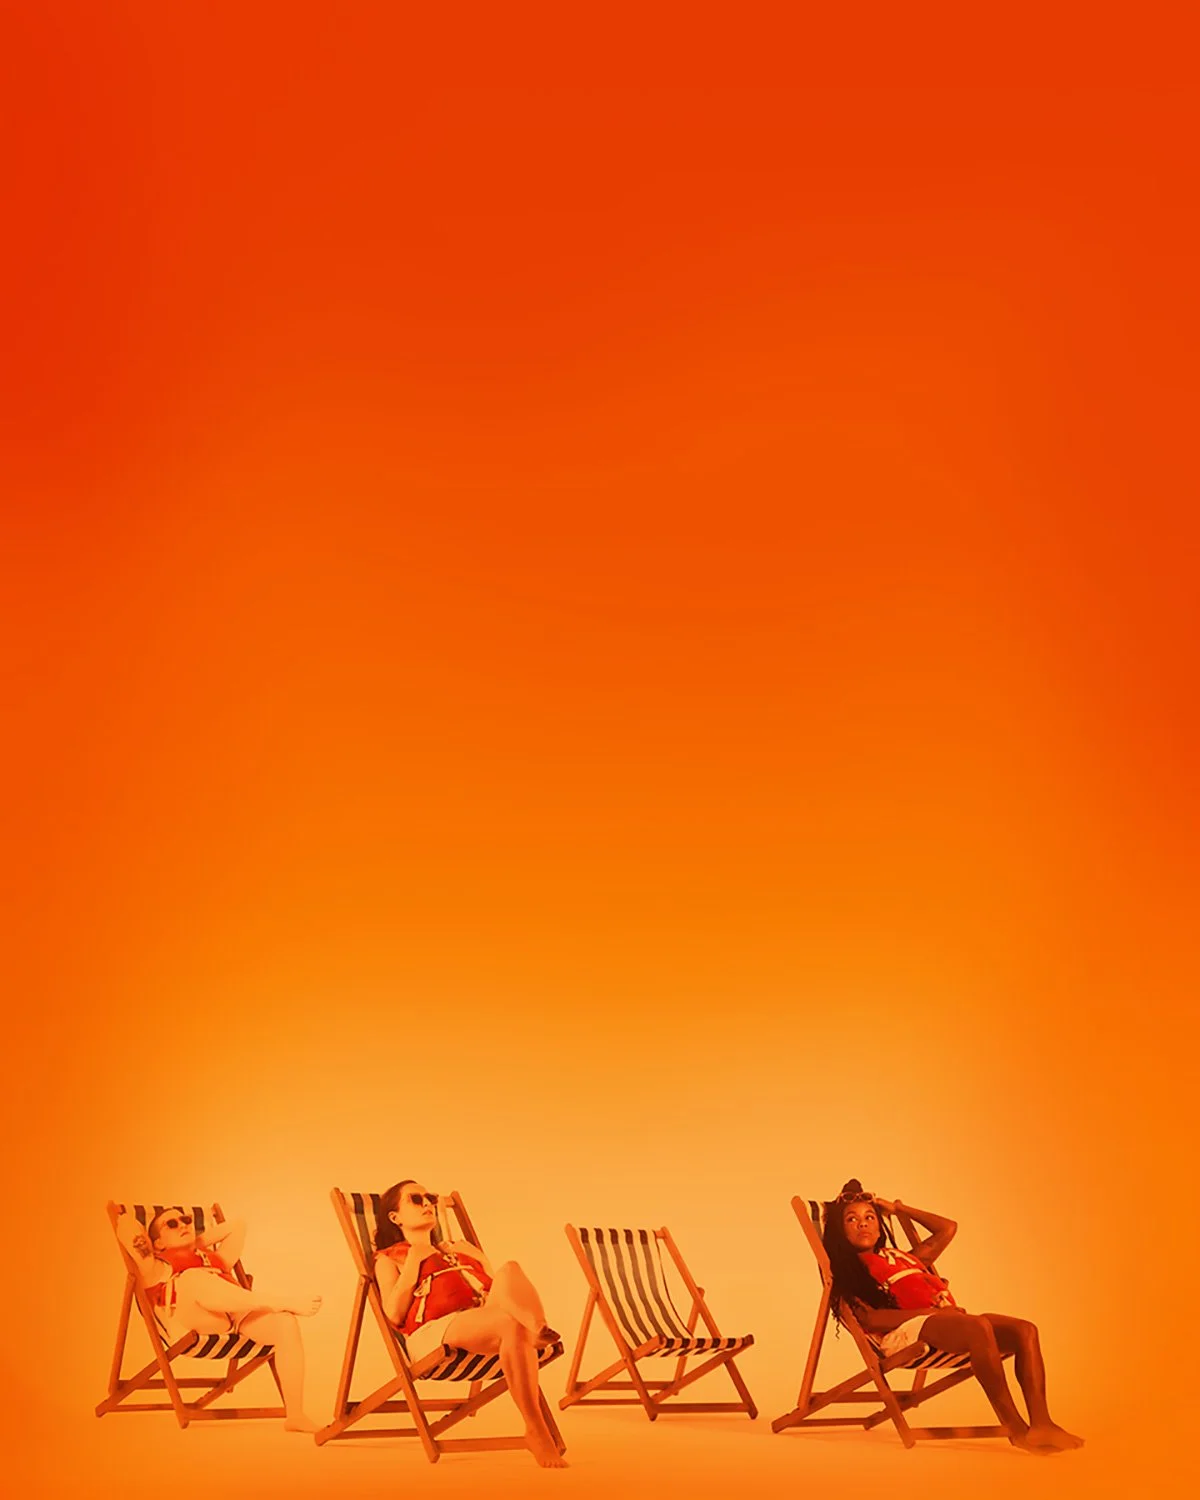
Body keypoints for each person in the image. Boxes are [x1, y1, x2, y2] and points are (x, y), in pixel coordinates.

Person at [822, 1179, 1083, 1456]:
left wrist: (897, 1208)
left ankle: (1042, 1422)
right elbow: (872, 1320)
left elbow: (948, 1228)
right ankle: (1016, 1429)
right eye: (852, 1219)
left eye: (870, 1216)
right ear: (841, 1232)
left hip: (948, 1324)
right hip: (907, 1332)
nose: (863, 1223)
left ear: (880, 1225)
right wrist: (931, 1312)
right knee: (978, 1326)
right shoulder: (850, 1271)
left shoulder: (906, 1258)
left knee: (1024, 1330)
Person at [373, 1179, 565, 1468]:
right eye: (416, 1199)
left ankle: (536, 1327)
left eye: (430, 1197)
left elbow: (491, 1290)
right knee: (511, 1326)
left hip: (482, 1318)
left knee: (509, 1268)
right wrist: (414, 1261)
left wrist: (479, 1259)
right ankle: (535, 1427)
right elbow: (393, 1315)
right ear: (394, 1217)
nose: (427, 1203)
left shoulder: (456, 1250)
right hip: (435, 1332)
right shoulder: (391, 1259)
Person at [116, 1205, 322, 1432]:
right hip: (190, 1323)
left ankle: (295, 1415)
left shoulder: (214, 1259)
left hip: (232, 1318)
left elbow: (238, 1226)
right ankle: (275, 1301)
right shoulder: (154, 1266)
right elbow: (126, 1229)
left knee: (285, 1323)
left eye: (185, 1219)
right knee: (194, 1277)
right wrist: (124, 1215)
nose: (183, 1224)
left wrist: (196, 1244)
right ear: (157, 1242)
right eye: (172, 1224)